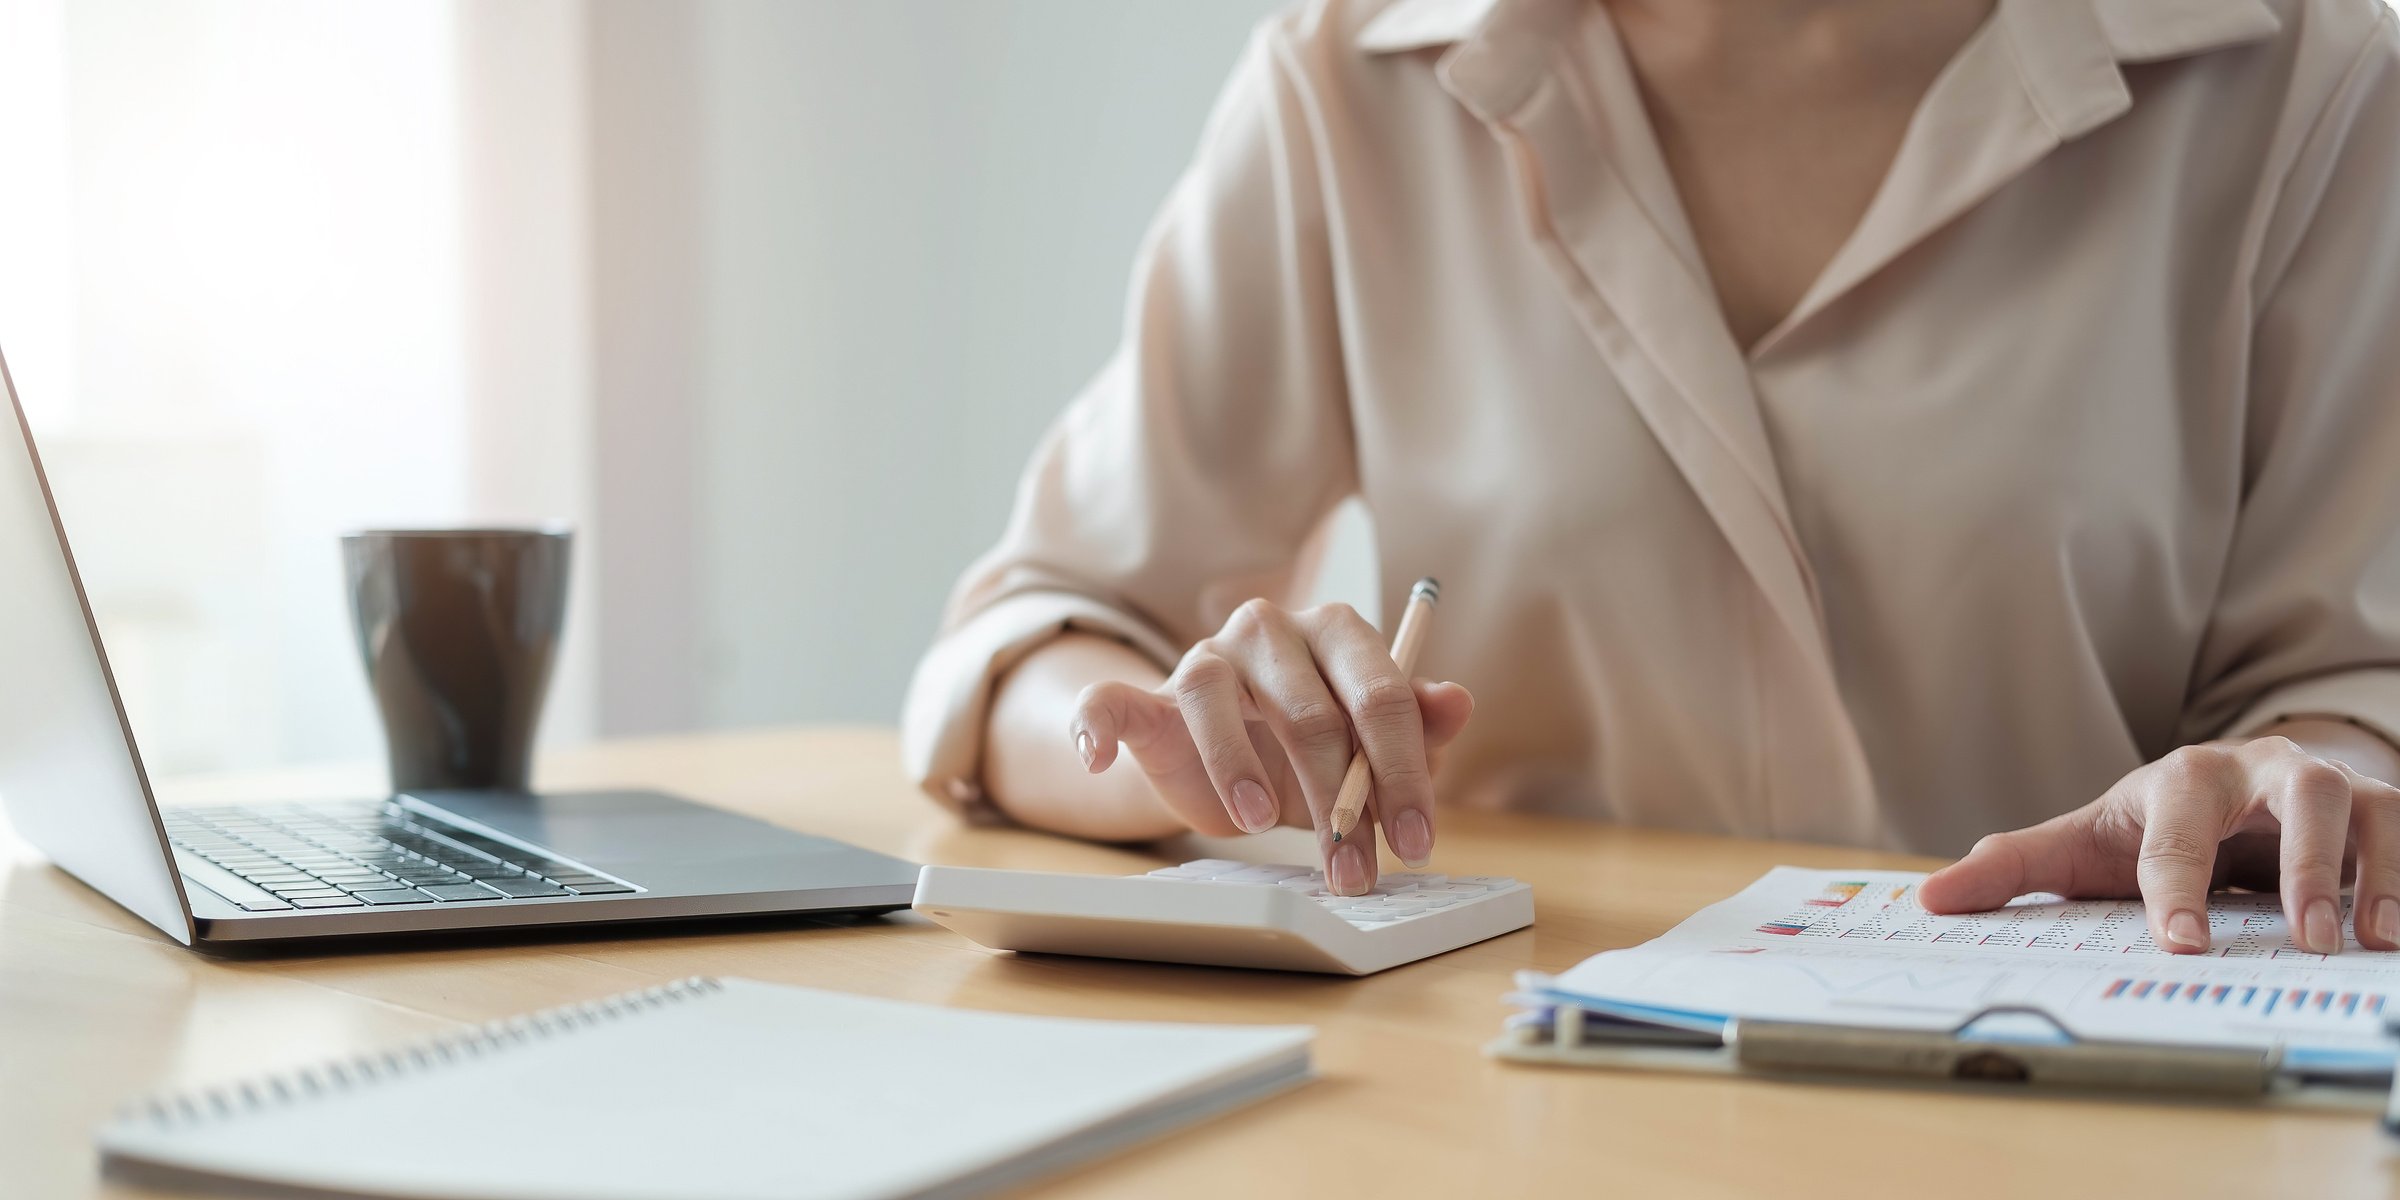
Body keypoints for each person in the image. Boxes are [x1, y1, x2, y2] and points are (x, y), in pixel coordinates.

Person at [903, 0, 2400, 957]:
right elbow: (1026, 635)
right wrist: (1173, 743)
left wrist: (2294, 780)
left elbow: (2354, 689)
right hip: (1498, 1089)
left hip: (2076, 1096)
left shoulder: (2306, 83)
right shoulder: (1349, 77)